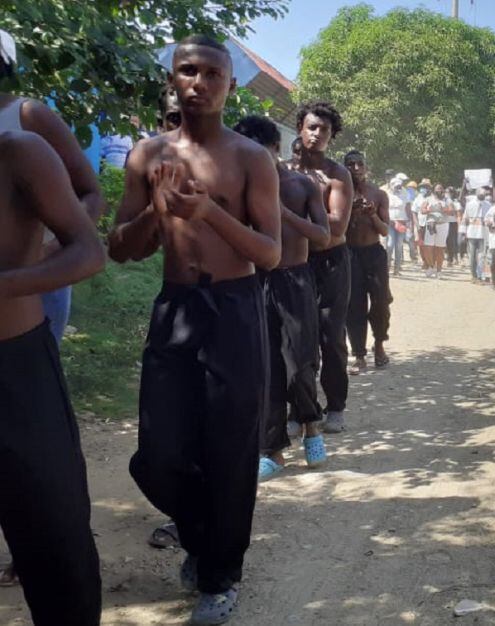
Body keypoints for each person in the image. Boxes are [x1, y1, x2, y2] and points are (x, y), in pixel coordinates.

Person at [108, 35, 283, 624]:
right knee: (157, 456)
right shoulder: (146, 155)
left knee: (230, 451)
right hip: (176, 307)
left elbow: (271, 252)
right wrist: (157, 214)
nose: (199, 83)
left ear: (230, 86)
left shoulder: (250, 159)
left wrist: (209, 213)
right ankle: (204, 537)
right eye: (188, 71)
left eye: (212, 74)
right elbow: (119, 249)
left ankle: (219, 576)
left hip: (235, 309)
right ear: (173, 80)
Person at [0, 91, 106, 626]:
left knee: (54, 538)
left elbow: (89, 250)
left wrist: (9, 282)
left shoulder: (19, 151)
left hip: (15, 371)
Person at [233, 115, 330, 481]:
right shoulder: (238, 187)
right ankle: (272, 449)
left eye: (259, 150)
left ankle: (311, 425)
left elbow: (322, 236)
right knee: (266, 367)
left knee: (300, 362)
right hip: (255, 281)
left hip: (295, 280)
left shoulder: (301, 185)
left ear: (274, 148)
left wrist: (284, 214)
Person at [0, 31, 105, 346]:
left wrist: (49, 251)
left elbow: (92, 193)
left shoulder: (25, 116)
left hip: (45, 276)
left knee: (34, 360)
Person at [293, 101, 353, 434]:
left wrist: (296, 225)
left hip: (330, 264)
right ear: (300, 128)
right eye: (311, 127)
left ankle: (336, 406)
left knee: (330, 336)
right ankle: (300, 408)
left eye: (324, 130)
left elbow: (335, 230)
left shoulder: (337, 175)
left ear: (332, 136)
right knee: (295, 338)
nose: (316, 134)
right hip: (294, 263)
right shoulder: (284, 171)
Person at [343, 151, 391, 371]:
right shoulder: (340, 193)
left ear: (366, 167)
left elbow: (385, 231)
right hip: (350, 254)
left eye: (359, 164)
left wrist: (372, 214)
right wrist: (350, 212)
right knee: (355, 305)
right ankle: (359, 355)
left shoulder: (379, 194)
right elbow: (335, 229)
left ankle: (379, 344)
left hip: (374, 254)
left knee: (381, 302)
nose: (355, 168)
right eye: (350, 164)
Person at [463, 186, 490, 283]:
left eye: (484, 194)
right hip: (472, 232)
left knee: (482, 255)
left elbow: (490, 218)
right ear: (477, 194)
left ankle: (480, 275)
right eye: (481, 194)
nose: (482, 195)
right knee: (472, 256)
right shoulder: (470, 204)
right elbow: (465, 218)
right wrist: (463, 232)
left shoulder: (488, 204)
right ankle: (473, 275)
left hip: (483, 233)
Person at [384, 174, 410, 275]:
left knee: (399, 246)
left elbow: (408, 208)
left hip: (402, 221)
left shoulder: (404, 193)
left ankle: (397, 269)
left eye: (399, 185)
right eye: (396, 186)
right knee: (390, 245)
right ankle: (387, 267)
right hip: (390, 222)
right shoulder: (387, 194)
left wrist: (409, 222)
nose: (398, 187)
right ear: (391, 185)